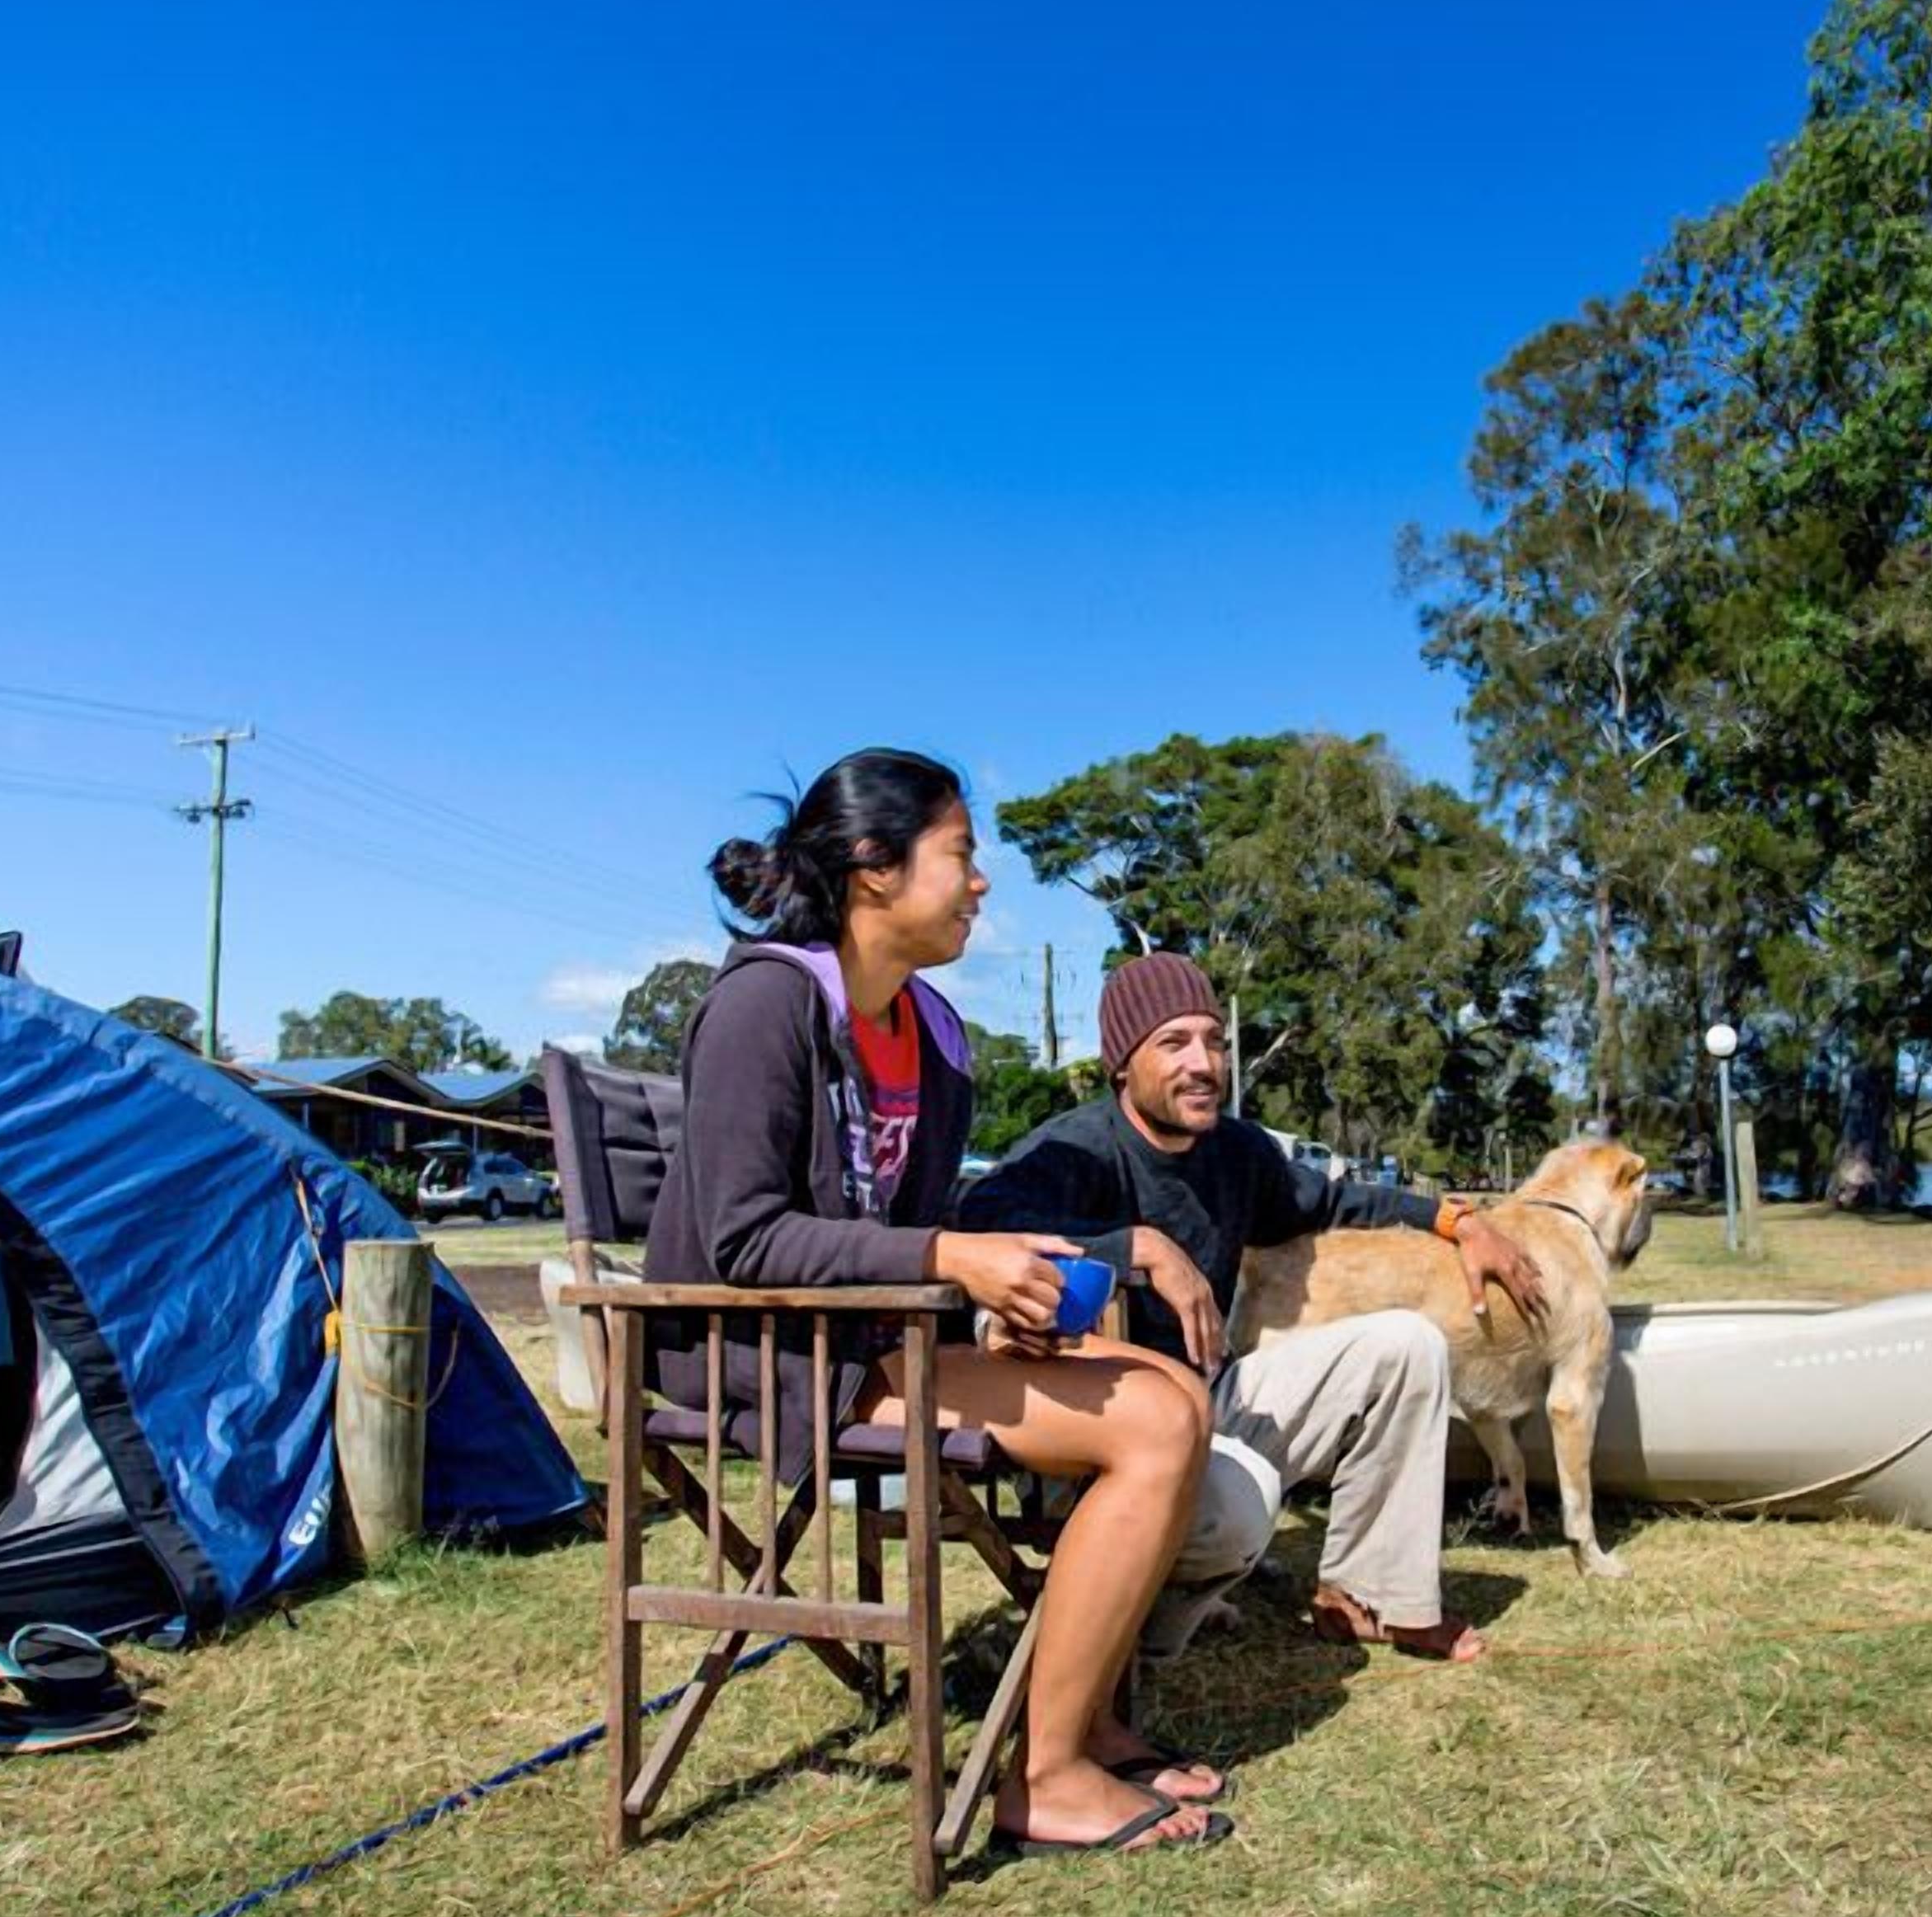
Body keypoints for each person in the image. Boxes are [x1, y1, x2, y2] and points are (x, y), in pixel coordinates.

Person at [643, 751, 1229, 1856]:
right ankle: (1043, 1777)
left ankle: (1087, 1720)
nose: (980, 881)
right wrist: (956, 1259)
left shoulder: (939, 1040)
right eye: (960, 855)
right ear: (873, 870)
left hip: (874, 1344)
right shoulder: (767, 1004)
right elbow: (744, 1237)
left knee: (1170, 1389)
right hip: (755, 1355)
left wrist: (985, 1302)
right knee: (1150, 1423)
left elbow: (902, 1239)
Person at [957, 951, 1547, 1664]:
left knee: (1405, 1345)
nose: (1203, 1063)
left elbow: (1333, 1200)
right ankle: (1125, 1634)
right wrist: (1134, 1247)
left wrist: (1461, 1223)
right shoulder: (1072, 1151)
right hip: (1098, 1434)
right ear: (1121, 1066)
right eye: (1173, 1043)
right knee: (1241, 1511)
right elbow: (978, 1228)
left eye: (1213, 1041)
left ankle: (1374, 1598)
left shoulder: (1235, 1150)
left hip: (1210, 1397)